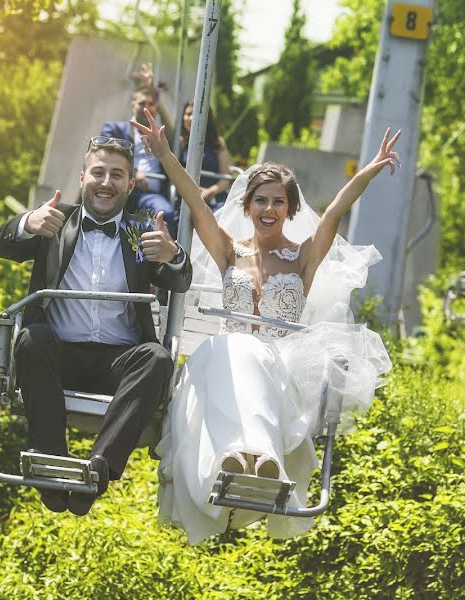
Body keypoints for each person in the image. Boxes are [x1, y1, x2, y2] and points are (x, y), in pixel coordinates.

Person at [131, 108, 398, 544]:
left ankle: (265, 462)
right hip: (227, 363)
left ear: (290, 208)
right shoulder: (229, 251)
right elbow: (196, 201)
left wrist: (368, 171)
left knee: (233, 352)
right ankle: (231, 463)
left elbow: (334, 211)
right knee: (218, 352)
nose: (269, 208)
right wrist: (163, 154)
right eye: (261, 200)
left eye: (278, 201)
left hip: (281, 364)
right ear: (248, 206)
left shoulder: (303, 256)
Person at [0, 136, 192, 516]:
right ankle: (50, 463)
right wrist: (27, 223)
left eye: (117, 175)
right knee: (31, 339)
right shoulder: (56, 222)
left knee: (156, 358)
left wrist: (173, 255)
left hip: (117, 362)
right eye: (98, 172)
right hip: (58, 356)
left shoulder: (141, 230)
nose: (106, 182)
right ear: (83, 176)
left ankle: (98, 469)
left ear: (130, 185)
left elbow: (180, 281)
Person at [100, 63, 177, 238]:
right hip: (121, 190)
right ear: (133, 105)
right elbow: (105, 154)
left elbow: (173, 136)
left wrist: (153, 90)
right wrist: (132, 171)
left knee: (166, 213)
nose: (147, 107)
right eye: (142, 103)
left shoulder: (159, 135)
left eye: (151, 104)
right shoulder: (114, 129)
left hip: (151, 195)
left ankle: (165, 261)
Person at [178, 101, 232, 212]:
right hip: (187, 196)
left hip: (213, 196)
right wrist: (196, 192)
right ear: (183, 118)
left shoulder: (217, 142)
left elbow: (225, 177)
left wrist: (210, 192)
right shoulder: (179, 143)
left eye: (197, 114)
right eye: (188, 114)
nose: (192, 118)